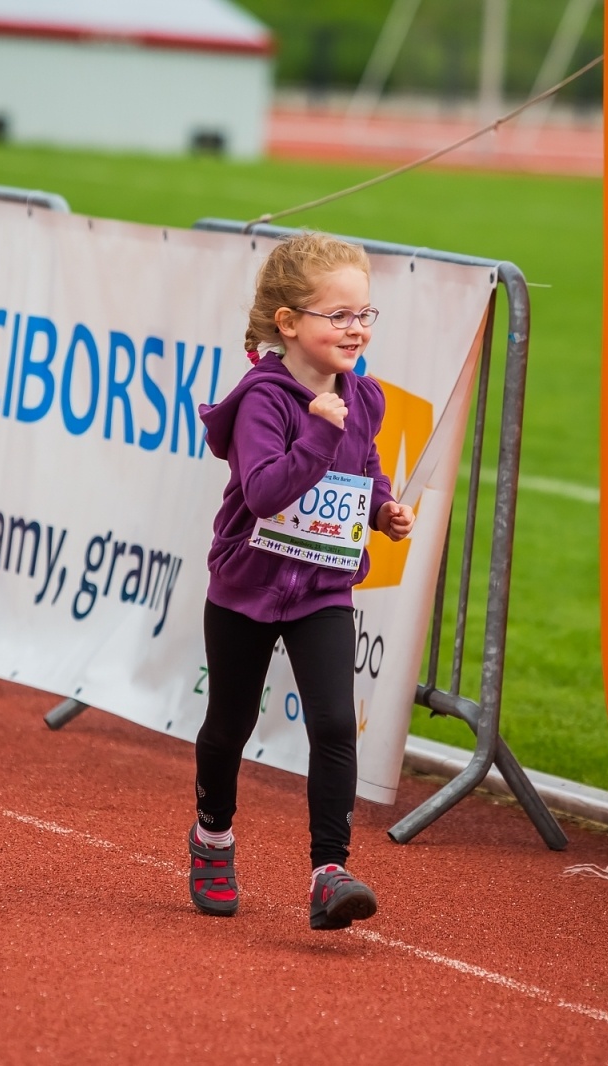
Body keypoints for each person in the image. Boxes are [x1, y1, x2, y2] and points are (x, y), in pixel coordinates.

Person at [190, 232, 416, 930]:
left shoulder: (363, 398)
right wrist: (317, 433)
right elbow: (262, 492)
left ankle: (329, 869)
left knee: (333, 723)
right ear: (289, 323)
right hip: (248, 585)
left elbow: (363, 464)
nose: (357, 329)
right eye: (339, 315)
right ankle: (212, 837)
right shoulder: (265, 399)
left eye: (365, 315)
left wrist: (382, 508)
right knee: (231, 724)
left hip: (321, 587)